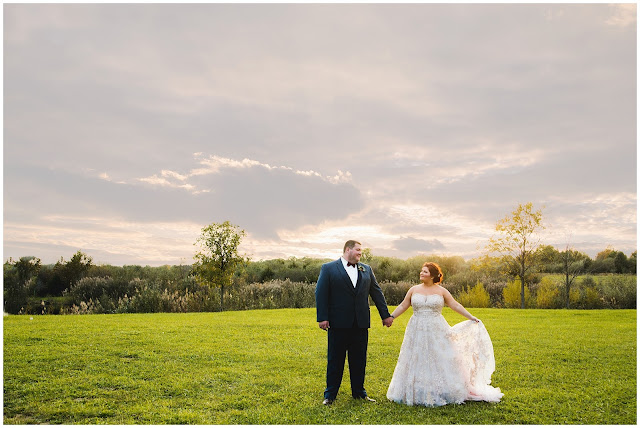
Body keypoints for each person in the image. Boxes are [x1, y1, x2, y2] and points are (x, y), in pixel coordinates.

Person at [386, 262, 503, 407]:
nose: (421, 273)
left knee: (439, 357)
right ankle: (417, 389)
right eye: (421, 271)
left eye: (425, 272)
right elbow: (404, 305)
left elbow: (455, 305)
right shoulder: (413, 289)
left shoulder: (442, 291)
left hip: (436, 328)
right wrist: (391, 317)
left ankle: (443, 389)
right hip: (417, 328)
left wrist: (471, 317)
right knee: (417, 356)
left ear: (433, 275)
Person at [315, 240, 394, 405]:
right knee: (335, 360)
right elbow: (321, 293)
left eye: (361, 251)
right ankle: (330, 396)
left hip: (361, 323)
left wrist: (385, 315)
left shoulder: (366, 269)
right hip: (338, 323)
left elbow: (376, 292)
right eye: (358, 250)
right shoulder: (328, 268)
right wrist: (323, 317)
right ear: (347, 250)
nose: (360, 253)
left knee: (359, 360)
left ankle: (359, 393)